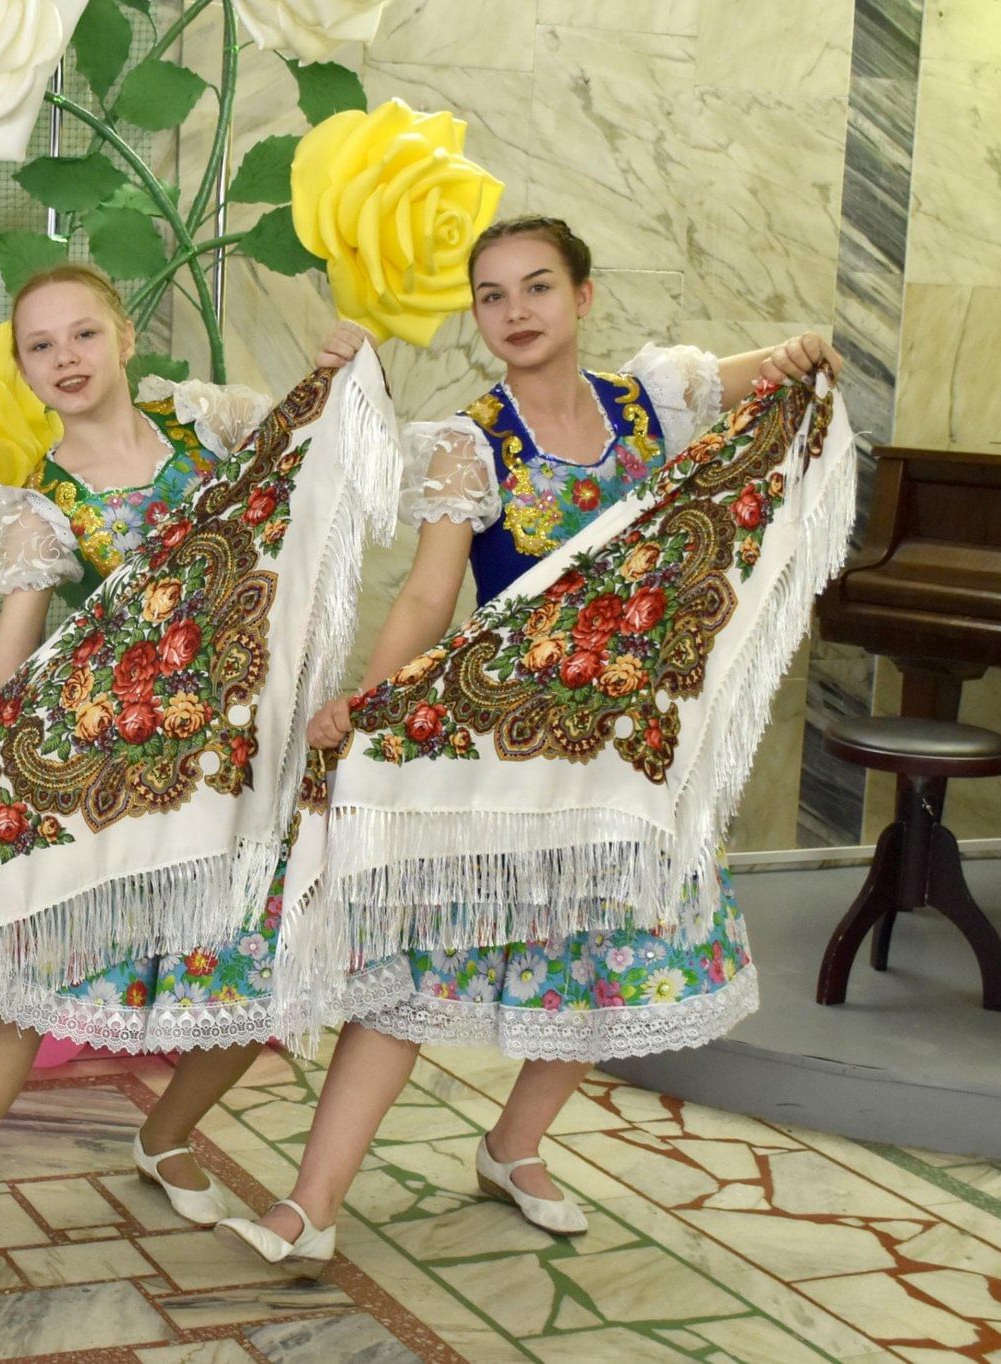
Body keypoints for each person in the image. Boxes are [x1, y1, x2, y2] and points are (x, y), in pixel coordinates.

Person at [219, 215, 840, 1272]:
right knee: (412, 967)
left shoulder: (653, 401)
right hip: (504, 744)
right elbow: (430, 594)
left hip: (626, 750)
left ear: (582, 296)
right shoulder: (471, 442)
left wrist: (804, 352)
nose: (514, 311)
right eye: (492, 295)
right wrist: (370, 698)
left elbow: (777, 368)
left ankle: (512, 1147)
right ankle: (308, 1204)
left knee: (611, 957)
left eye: (537, 286)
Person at [0, 263, 368, 1271]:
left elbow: (326, 462)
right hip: (117, 783)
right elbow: (7, 666)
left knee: (264, 979)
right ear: (23, 370)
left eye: (83, 334)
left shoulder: (211, 430)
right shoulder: (39, 505)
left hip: (247, 766)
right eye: (40, 346)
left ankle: (164, 1135)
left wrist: (346, 367)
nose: (64, 358)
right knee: (29, 992)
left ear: (123, 339)